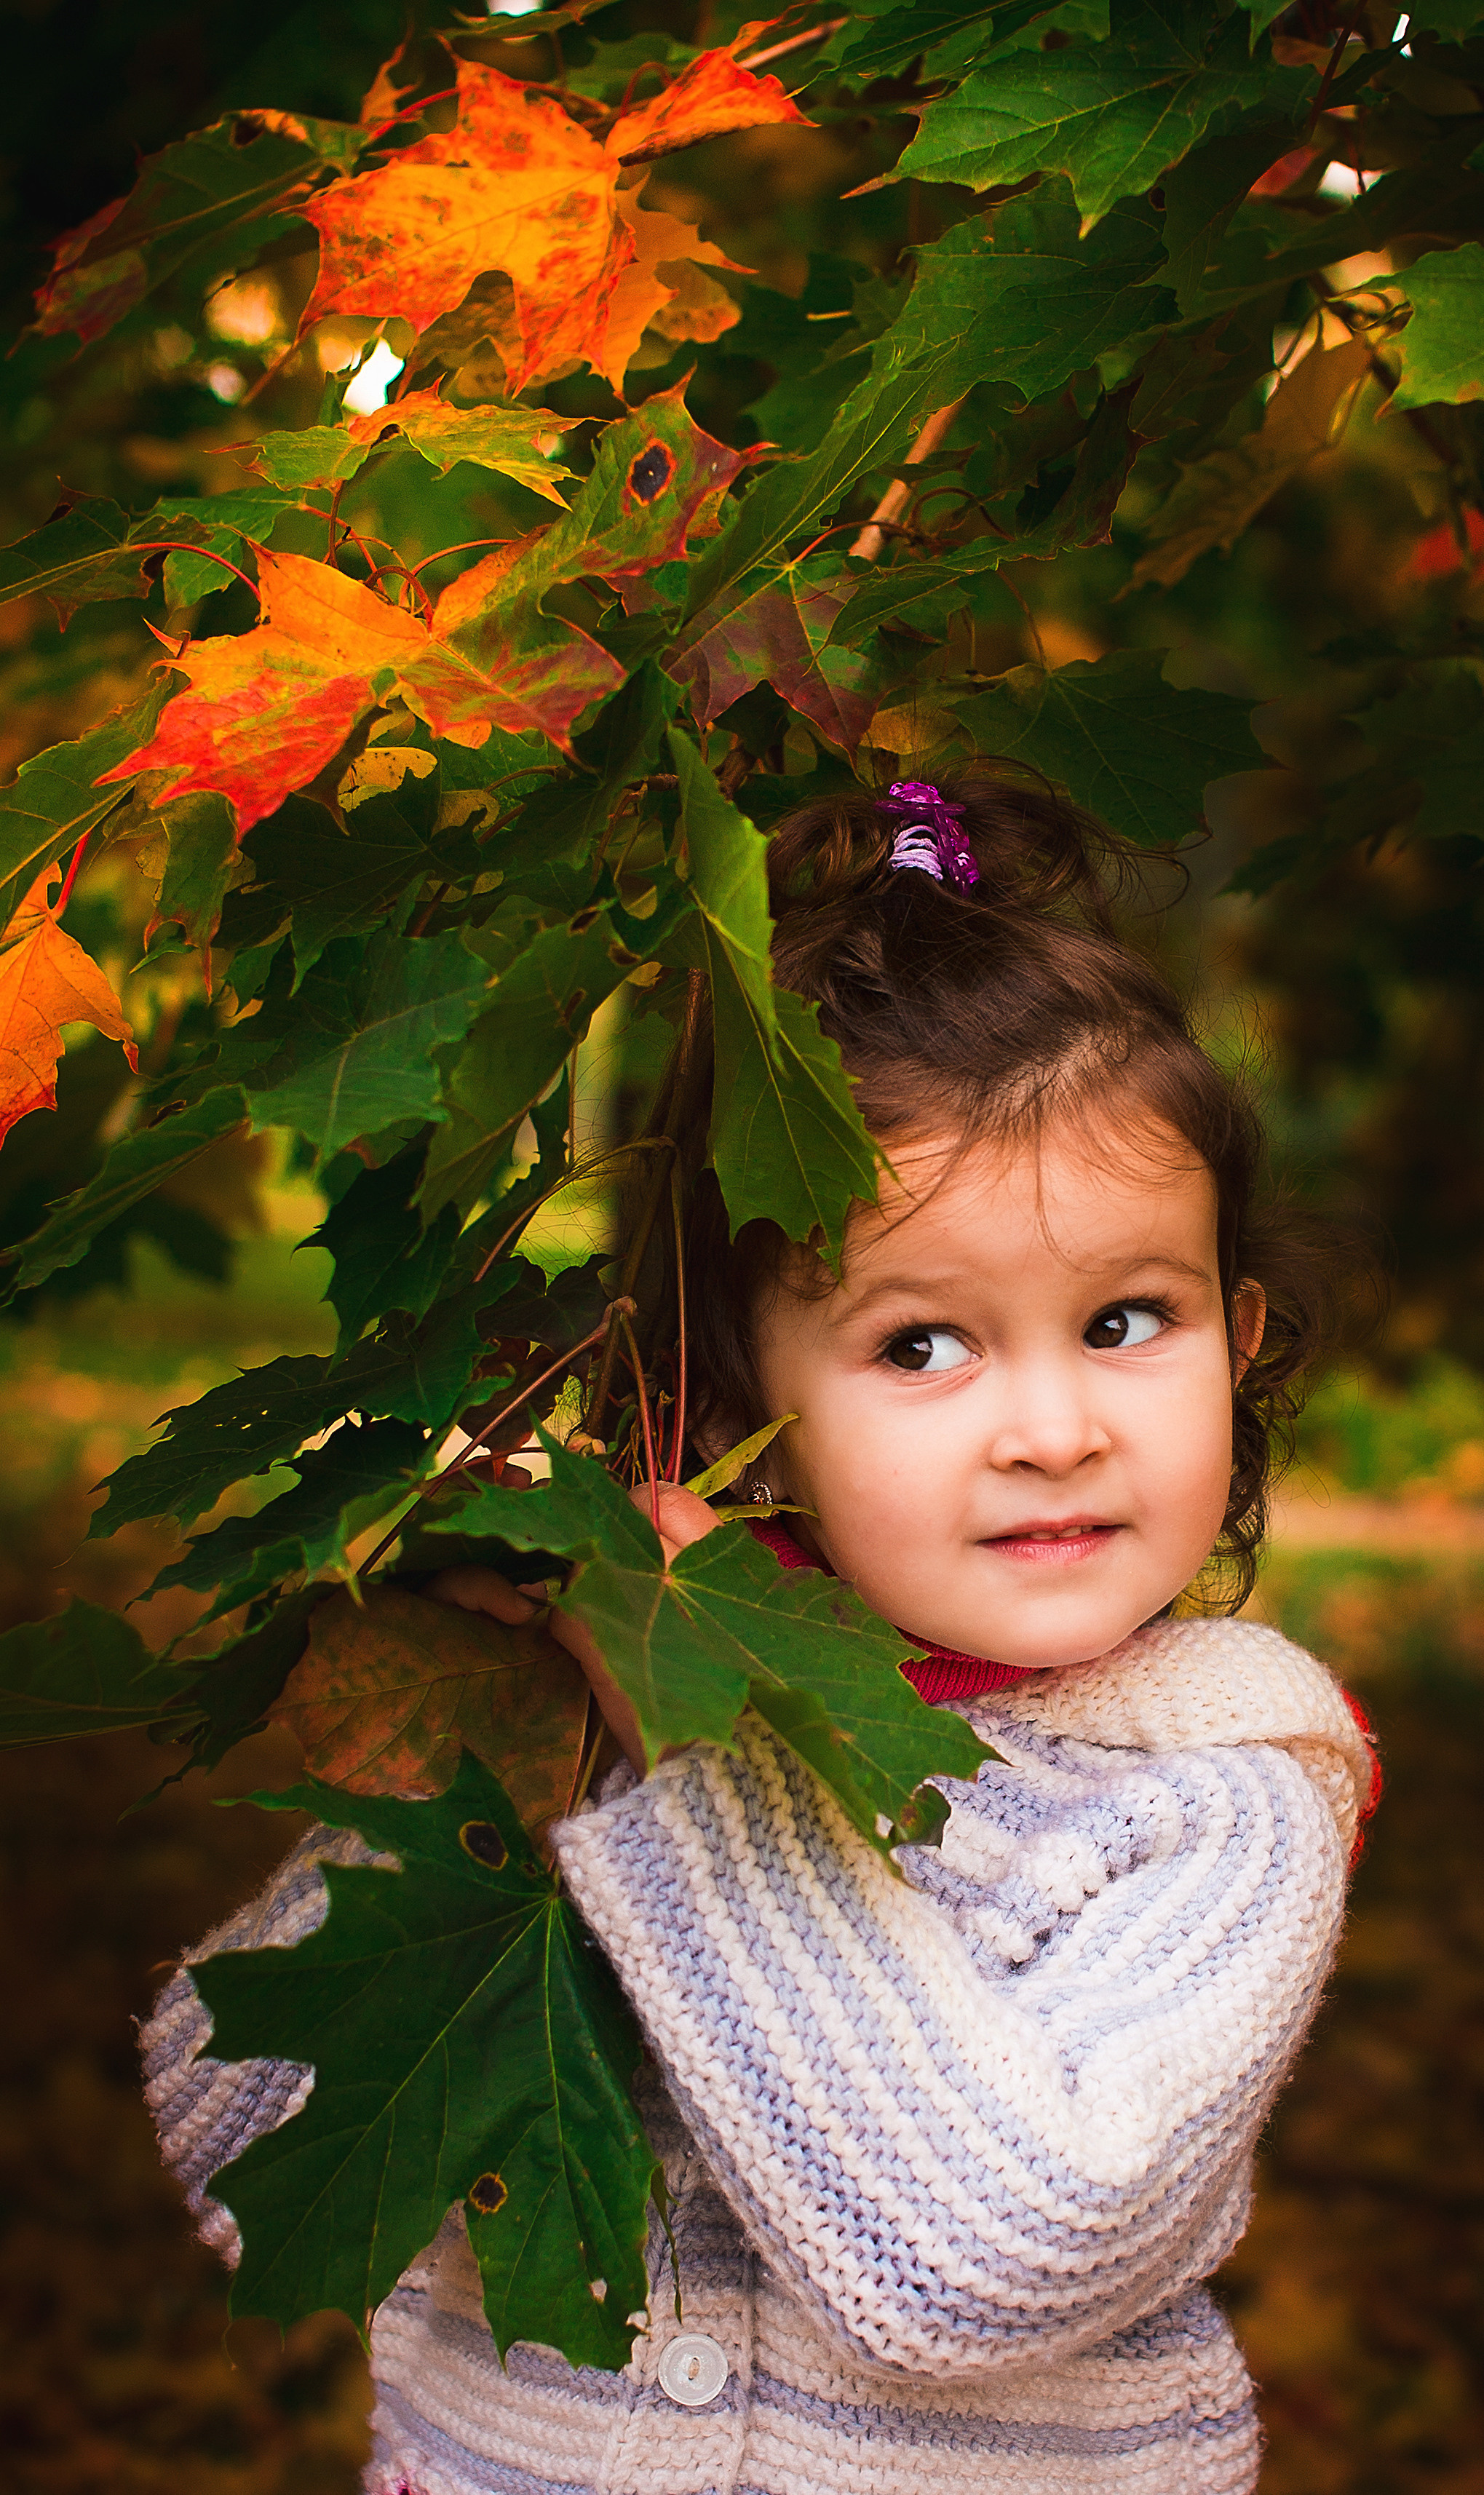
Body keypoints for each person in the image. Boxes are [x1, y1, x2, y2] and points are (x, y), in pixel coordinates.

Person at [142, 769, 1379, 2495]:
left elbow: (980, 2261)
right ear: (744, 1405)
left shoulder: (1212, 1811)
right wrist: (489, 1749)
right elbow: (251, 2160)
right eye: (921, 1346)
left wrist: (710, 1764)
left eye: (1123, 1319)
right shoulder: (588, 1708)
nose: (1053, 1426)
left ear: (1242, 1341)